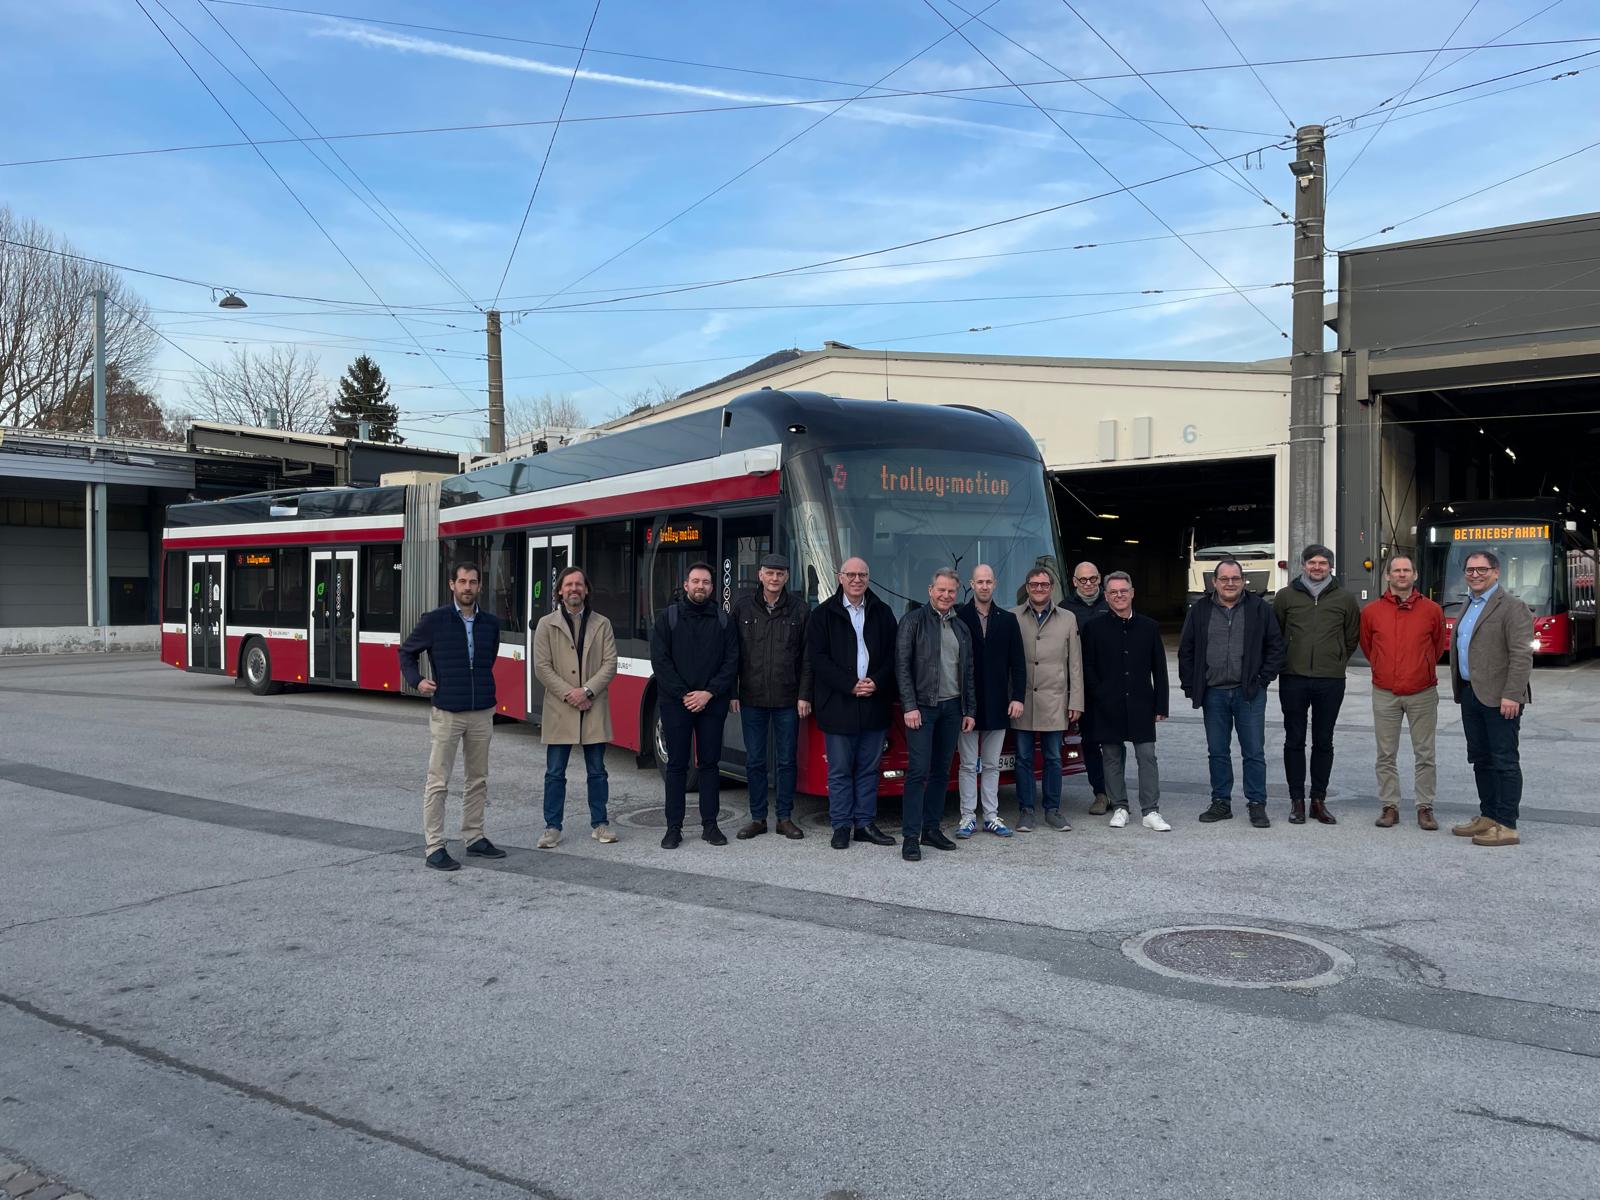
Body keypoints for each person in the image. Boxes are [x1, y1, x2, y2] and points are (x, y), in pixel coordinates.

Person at [399, 560, 507, 871]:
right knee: (438, 781)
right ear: (452, 585)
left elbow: (487, 660)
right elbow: (406, 652)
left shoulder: (490, 624)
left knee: (478, 779)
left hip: (482, 710)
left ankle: (474, 838)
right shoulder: (434, 621)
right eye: (462, 582)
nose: (467, 587)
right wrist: (416, 680)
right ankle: (434, 846)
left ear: (480, 587)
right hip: (447, 711)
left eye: (473, 582)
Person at [1178, 557, 1284, 829]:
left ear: (1243, 580)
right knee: (1217, 752)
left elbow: (1275, 646)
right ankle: (1221, 802)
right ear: (1214, 582)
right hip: (1213, 694)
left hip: (1248, 693)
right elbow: (1186, 650)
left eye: (1235, 578)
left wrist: (1262, 680)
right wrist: (1192, 686)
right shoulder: (1200, 610)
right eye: (1224, 579)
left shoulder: (1259, 608)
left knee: (1253, 752)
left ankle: (1257, 804)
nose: (1230, 583)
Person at [805, 557, 899, 850]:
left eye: (862, 574)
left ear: (868, 578)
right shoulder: (822, 615)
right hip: (838, 704)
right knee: (840, 769)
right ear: (840, 578)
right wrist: (849, 685)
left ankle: (865, 824)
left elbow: (893, 657)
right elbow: (817, 659)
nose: (857, 579)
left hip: (874, 702)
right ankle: (842, 826)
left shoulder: (883, 613)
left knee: (869, 769)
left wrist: (877, 681)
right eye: (851, 575)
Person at [649, 561, 740, 849]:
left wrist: (708, 693)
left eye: (706, 582)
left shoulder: (724, 620)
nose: (700, 586)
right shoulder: (668, 618)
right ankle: (673, 828)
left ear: (712, 588)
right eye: (695, 581)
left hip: (711, 704)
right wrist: (685, 695)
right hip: (676, 704)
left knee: (710, 765)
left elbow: (732, 661)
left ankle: (710, 826)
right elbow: (660, 662)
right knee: (676, 766)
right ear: (686, 585)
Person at [1448, 549, 1533, 848]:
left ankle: (1507, 824)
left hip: (1501, 698)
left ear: (1496, 572)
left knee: (1504, 761)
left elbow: (1521, 654)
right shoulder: (1468, 604)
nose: (1475, 574)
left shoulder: (1512, 607)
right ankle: (1488, 816)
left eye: (1481, 570)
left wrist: (1512, 694)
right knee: (1481, 759)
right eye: (1470, 570)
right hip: (1471, 694)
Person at [1272, 544, 1361, 824]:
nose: (1317, 568)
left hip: (1330, 680)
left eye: (1323, 563)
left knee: (1324, 741)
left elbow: (1351, 638)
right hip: (1293, 678)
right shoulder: (1285, 597)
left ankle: (1318, 801)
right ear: (1303, 565)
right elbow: (1276, 633)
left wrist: (1334, 660)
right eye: (1312, 563)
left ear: (1331, 567)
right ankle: (1296, 800)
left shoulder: (1345, 599)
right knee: (1294, 740)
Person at [532, 566, 619, 848]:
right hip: (561, 707)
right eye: (568, 585)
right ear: (560, 590)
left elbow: (610, 664)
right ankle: (552, 827)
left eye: (579, 585)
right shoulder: (546, 624)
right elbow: (542, 668)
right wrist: (570, 694)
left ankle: (600, 824)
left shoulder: (602, 623)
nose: (574, 589)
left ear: (586, 590)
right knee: (555, 773)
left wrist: (587, 690)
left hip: (593, 704)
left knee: (598, 771)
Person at [1359, 555, 1447, 831]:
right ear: (1387, 576)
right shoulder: (1372, 611)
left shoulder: (1432, 610)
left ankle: (1425, 807)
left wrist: (1421, 668)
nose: (1401, 575)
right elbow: (1367, 646)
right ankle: (1390, 806)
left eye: (1406, 570)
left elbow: (1438, 646)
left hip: (1422, 691)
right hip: (1385, 691)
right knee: (1386, 753)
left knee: (1425, 753)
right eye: (1396, 571)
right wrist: (1385, 669)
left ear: (1415, 575)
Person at [895, 568, 977, 861]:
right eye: (940, 590)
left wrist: (970, 710)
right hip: (923, 708)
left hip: (953, 708)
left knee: (942, 771)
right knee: (918, 772)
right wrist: (909, 706)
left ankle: (931, 830)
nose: (945, 596)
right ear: (930, 590)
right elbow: (902, 667)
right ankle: (910, 837)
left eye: (951, 591)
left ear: (957, 594)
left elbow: (968, 672)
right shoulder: (913, 621)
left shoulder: (961, 627)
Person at [1081, 571, 1171, 831]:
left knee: (1147, 756)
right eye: (1113, 592)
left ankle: (1151, 810)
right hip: (1107, 704)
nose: (1119, 596)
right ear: (1106, 597)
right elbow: (1087, 666)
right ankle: (1120, 806)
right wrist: (1099, 695)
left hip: (1142, 702)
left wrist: (1161, 704)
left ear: (1132, 593)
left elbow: (1160, 669)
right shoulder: (1093, 628)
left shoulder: (1149, 627)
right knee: (1110, 756)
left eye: (1123, 591)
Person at [731, 553, 811, 841]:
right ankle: (758, 818)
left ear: (787, 577)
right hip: (752, 698)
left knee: (786, 760)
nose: (775, 578)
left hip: (788, 700)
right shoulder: (743, 609)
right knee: (755, 761)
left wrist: (804, 695)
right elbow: (733, 654)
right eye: (770, 573)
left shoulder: (800, 610)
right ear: (760, 575)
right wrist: (732, 691)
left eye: (780, 574)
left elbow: (807, 659)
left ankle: (785, 818)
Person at [1011, 566, 1084, 832]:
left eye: (1044, 585)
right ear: (1027, 587)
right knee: (1023, 758)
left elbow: (1075, 663)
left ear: (1051, 588)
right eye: (1034, 585)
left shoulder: (1067, 619)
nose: (1039, 589)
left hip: (1055, 702)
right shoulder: (1013, 617)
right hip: (1023, 702)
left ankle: (1052, 810)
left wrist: (1075, 700)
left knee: (1054, 757)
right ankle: (1026, 810)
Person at [955, 564, 1025, 838]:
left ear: (995, 584)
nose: (984, 586)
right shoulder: (959, 617)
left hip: (998, 703)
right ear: (971, 584)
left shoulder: (1008, 620)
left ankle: (992, 816)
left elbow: (1017, 664)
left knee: (993, 764)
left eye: (989, 582)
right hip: (967, 704)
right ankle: (967, 817)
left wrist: (1017, 697)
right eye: (979, 582)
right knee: (968, 764)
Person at [1063, 561, 1112, 815]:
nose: (1089, 584)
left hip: (1113, 687)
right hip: (1084, 689)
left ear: (1100, 578)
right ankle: (1101, 794)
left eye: (1093, 579)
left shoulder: (1111, 603)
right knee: (1091, 742)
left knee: (1115, 742)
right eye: (1083, 580)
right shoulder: (1064, 610)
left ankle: (1118, 793)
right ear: (1074, 582)